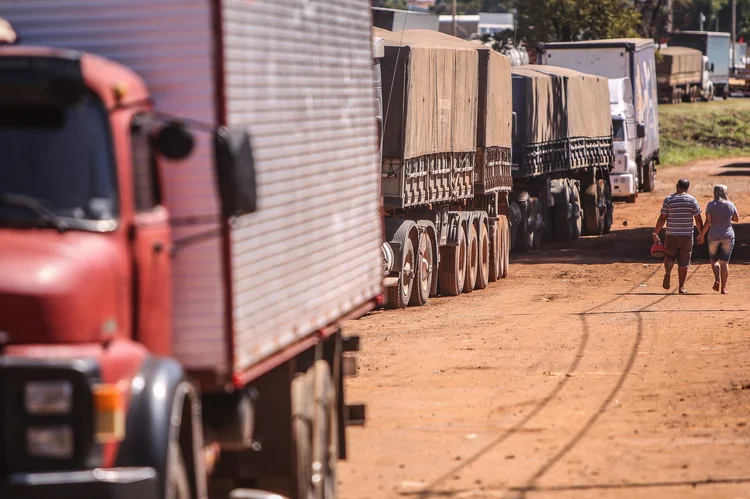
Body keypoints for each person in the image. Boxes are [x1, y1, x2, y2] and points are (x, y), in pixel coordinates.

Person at [652, 178, 703, 294]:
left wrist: (655, 232)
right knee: (684, 262)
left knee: (669, 256)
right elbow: (698, 220)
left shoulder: (669, 200)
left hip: (671, 235)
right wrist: (702, 234)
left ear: (677, 186)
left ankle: (668, 273)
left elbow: (662, 218)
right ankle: (681, 287)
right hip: (686, 236)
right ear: (687, 188)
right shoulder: (692, 201)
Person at [697, 184, 739, 294]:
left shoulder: (711, 205)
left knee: (714, 260)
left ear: (714, 193)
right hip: (728, 236)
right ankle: (724, 288)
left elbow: (708, 222)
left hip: (713, 236)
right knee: (724, 263)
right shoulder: (731, 204)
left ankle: (717, 279)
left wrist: (701, 235)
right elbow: (736, 219)